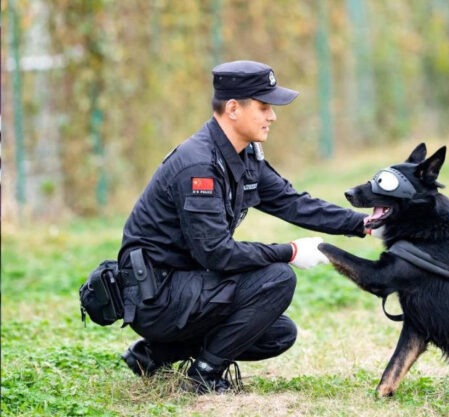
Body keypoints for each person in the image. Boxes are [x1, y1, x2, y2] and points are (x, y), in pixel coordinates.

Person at [117, 60, 369, 394]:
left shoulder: (243, 155)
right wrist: (290, 251)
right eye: (264, 107)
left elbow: (292, 202)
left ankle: (156, 354)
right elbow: (216, 254)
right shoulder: (199, 166)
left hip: (187, 285)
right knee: (277, 278)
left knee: (278, 334)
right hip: (158, 296)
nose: (272, 116)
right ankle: (203, 376)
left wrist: (365, 223)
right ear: (233, 108)